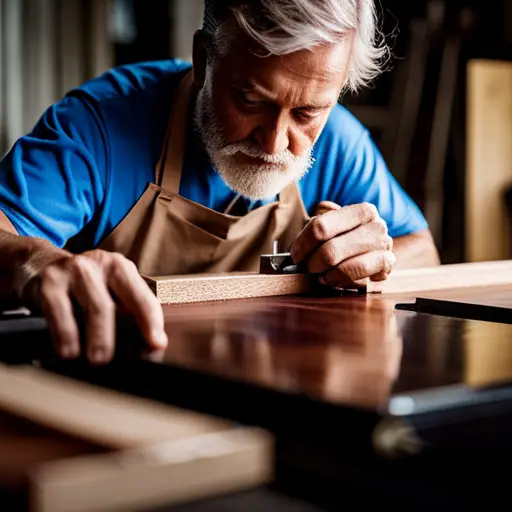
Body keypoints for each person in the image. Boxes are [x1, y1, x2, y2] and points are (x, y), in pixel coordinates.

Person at [0, 0, 439, 364]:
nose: (274, 142)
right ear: (203, 58)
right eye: (250, 100)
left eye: (307, 114)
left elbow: (424, 251)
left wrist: (372, 260)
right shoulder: (101, 125)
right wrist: (36, 263)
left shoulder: (340, 140)